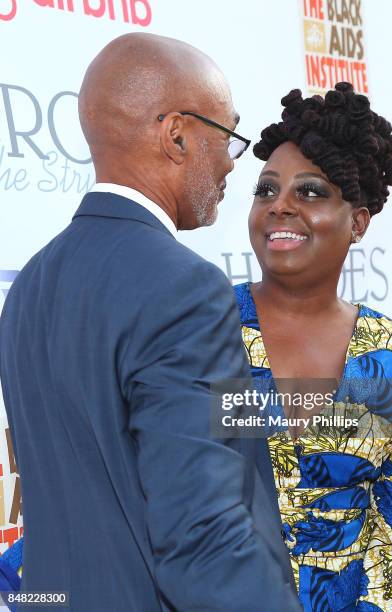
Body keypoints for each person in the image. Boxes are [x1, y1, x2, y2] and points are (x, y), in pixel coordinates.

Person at [0, 33, 301, 611]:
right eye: (228, 137)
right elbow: (204, 537)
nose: (231, 165)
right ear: (177, 135)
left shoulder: (31, 285)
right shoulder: (184, 288)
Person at [233, 82, 392, 611]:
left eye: (309, 192)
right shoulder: (202, 331)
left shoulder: (390, 357)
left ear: (357, 221)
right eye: (266, 190)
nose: (280, 207)